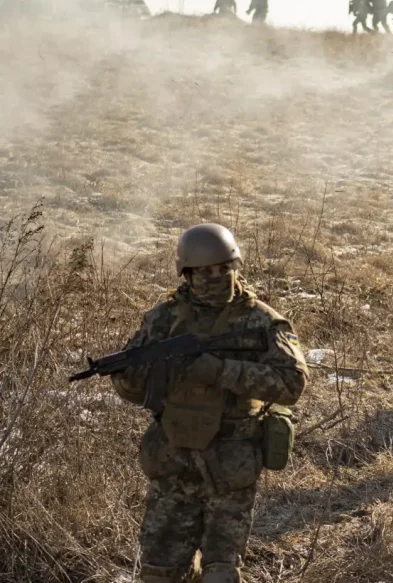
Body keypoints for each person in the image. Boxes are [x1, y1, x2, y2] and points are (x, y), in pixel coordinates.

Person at [110, 223, 308, 583]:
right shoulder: (163, 319)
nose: (217, 278)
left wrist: (220, 371)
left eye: (224, 269)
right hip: (173, 463)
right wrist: (132, 376)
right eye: (206, 272)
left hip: (230, 463)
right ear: (187, 274)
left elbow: (291, 384)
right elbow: (134, 392)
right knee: (158, 573)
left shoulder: (260, 320)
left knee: (221, 575)